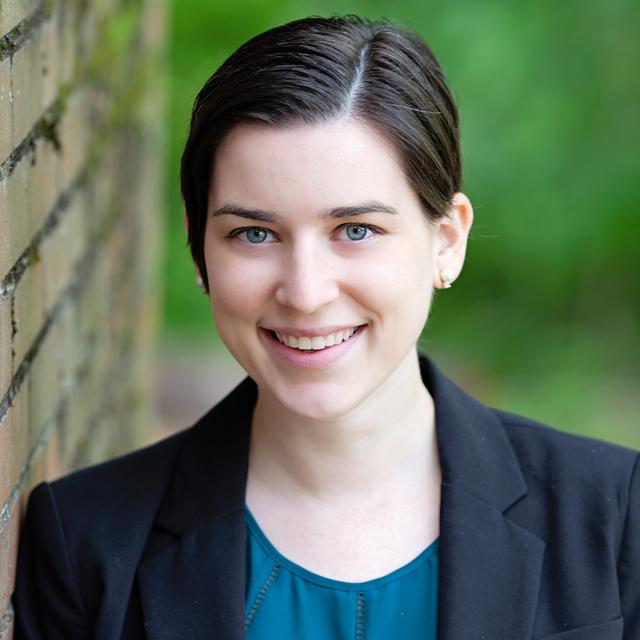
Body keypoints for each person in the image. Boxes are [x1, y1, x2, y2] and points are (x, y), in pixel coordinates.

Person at [12, 14, 639, 640]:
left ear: (447, 240)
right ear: (199, 251)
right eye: (254, 234)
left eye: (356, 231)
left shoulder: (615, 516)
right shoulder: (84, 542)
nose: (306, 293)